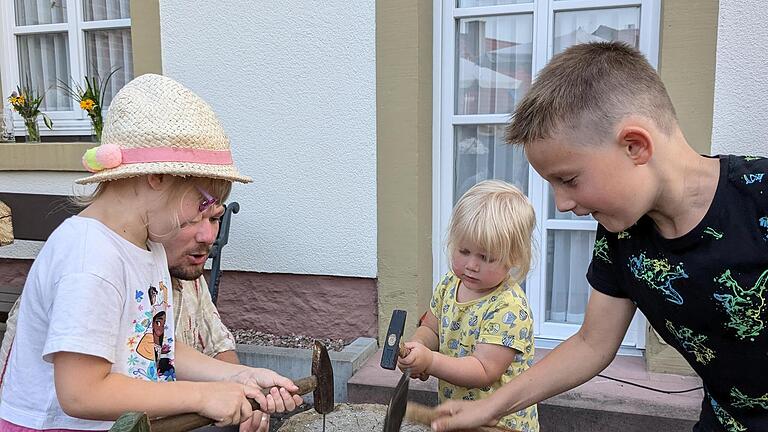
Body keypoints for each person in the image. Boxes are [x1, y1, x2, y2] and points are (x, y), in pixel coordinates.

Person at [430, 41, 768, 432]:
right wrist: (491, 407)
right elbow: (593, 344)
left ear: (635, 146)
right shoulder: (621, 236)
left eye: (568, 179)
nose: (561, 203)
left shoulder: (757, 199)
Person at [0, 74, 302, 432]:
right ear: (156, 177)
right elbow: (81, 393)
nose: (204, 225)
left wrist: (238, 375)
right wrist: (201, 397)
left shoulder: (147, 247)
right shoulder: (89, 259)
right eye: (203, 203)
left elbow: (157, 348)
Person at [398, 180, 538, 431]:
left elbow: (483, 369)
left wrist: (430, 361)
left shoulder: (509, 308)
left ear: (514, 257)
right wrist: (417, 348)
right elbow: (431, 328)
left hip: (499, 424)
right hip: (458, 414)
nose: (471, 265)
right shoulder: (449, 284)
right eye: (464, 251)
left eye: (486, 257)